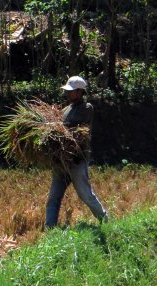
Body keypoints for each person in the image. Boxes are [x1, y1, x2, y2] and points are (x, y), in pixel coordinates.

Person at [45, 76, 108, 229]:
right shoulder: (66, 109)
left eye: (71, 92)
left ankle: (106, 221)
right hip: (62, 161)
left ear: (80, 92)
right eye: (67, 91)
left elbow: (71, 127)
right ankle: (50, 229)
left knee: (85, 195)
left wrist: (54, 124)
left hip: (77, 160)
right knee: (54, 197)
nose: (67, 94)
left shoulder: (87, 108)